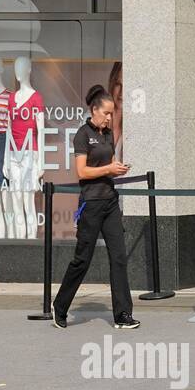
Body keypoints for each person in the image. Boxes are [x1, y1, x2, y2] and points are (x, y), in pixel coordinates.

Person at [51, 84, 139, 330]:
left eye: (112, 113)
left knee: (119, 257)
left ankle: (122, 315)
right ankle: (60, 306)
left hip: (110, 202)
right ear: (94, 109)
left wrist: (117, 168)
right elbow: (82, 171)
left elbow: (109, 162)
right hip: (90, 204)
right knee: (82, 259)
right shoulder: (82, 134)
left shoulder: (108, 134)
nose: (110, 118)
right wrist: (108, 169)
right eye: (107, 113)